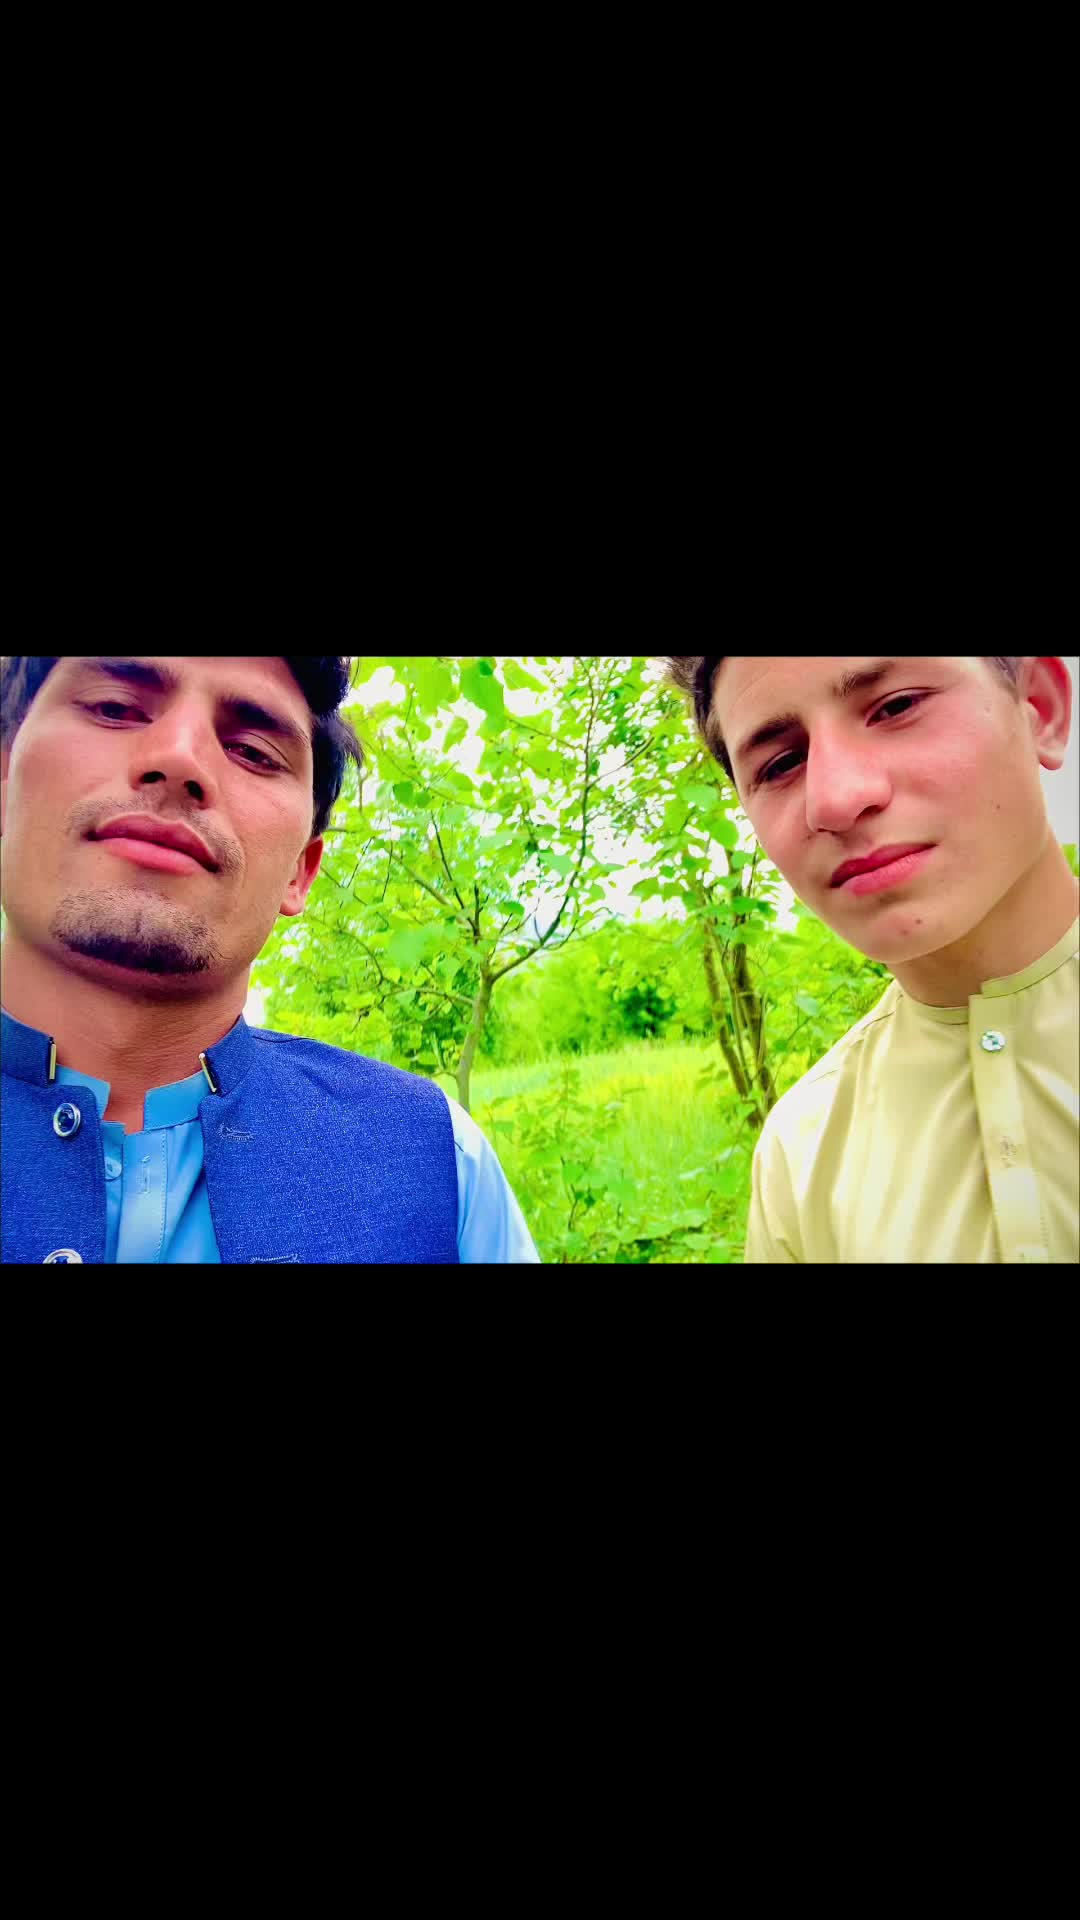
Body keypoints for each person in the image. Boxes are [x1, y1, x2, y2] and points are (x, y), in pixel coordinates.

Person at [0, 655, 539, 1265]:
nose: (179, 757)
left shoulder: (442, 1161)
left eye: (253, 752)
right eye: (115, 708)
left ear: (300, 873)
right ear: (5, 777)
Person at [666, 656, 1079, 1264]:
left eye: (897, 706)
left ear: (1041, 709)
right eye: (781, 764)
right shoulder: (799, 1156)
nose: (835, 799)